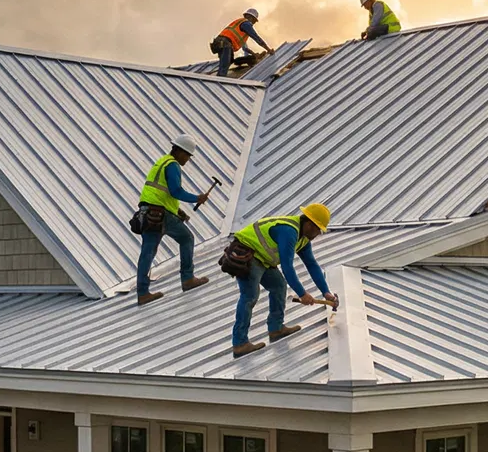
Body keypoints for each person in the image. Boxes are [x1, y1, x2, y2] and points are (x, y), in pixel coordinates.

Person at [227, 204, 337, 357]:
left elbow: (311, 264)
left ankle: (276, 328)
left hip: (263, 259)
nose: (318, 233)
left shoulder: (303, 239)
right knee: (250, 296)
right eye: (317, 228)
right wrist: (302, 294)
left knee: (279, 286)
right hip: (247, 254)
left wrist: (326, 292)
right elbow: (287, 267)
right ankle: (239, 343)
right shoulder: (289, 232)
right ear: (309, 223)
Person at [135, 133, 211, 305]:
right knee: (187, 238)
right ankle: (187, 279)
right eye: (188, 156)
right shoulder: (173, 165)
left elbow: (161, 193)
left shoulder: (161, 162)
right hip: (161, 214)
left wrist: (178, 211)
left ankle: (142, 293)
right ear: (180, 151)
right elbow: (176, 191)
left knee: (147, 252)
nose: (187, 160)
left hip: (147, 213)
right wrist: (196, 198)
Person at [211, 7, 272, 76]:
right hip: (225, 43)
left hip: (220, 43)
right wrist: (268, 49)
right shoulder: (246, 24)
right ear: (249, 17)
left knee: (230, 61)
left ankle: (221, 74)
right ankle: (220, 78)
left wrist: (254, 54)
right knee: (224, 66)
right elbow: (256, 38)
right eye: (254, 20)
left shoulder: (240, 29)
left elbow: (245, 48)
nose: (254, 23)